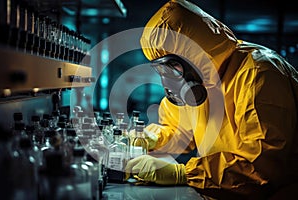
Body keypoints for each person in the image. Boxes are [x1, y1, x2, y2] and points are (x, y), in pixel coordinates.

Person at [124, 0, 298, 199]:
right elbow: (180, 131)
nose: (168, 78)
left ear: (196, 53)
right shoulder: (202, 81)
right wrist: (152, 139)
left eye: (172, 66)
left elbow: (260, 168)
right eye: (162, 69)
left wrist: (183, 174)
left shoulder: (258, 74)